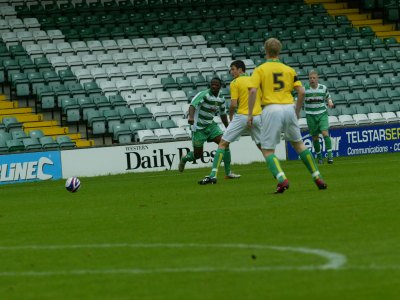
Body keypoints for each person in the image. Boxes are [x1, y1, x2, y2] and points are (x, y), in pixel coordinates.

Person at [247, 38, 327, 193]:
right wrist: (296, 111)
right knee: (299, 144)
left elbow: (252, 91)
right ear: (280, 51)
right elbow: (302, 91)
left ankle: (282, 179)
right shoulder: (289, 70)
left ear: (265, 50)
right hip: (289, 107)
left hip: (272, 108)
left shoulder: (260, 69)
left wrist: (250, 114)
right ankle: (317, 176)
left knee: (267, 149)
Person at [198, 60, 263, 185]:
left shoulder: (235, 82)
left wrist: (231, 117)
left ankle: (213, 175)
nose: (231, 72)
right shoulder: (254, 81)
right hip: (257, 116)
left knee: (222, 143)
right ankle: (278, 172)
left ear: (240, 69)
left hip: (243, 115)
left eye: (233, 69)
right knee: (262, 146)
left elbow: (233, 104)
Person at [179, 77, 240, 179]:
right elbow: (192, 105)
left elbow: (222, 114)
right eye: (212, 84)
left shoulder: (221, 98)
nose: (214, 86)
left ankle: (228, 173)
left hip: (211, 126)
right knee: (198, 155)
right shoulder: (204, 95)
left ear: (220, 86)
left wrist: (228, 128)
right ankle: (185, 159)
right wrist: (190, 117)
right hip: (198, 128)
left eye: (216, 85)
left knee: (225, 143)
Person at [303, 69, 334, 164]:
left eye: (314, 78)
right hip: (310, 115)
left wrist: (329, 101)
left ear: (317, 79)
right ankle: (320, 157)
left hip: (322, 113)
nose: (312, 79)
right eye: (310, 78)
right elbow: (299, 98)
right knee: (315, 137)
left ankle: (330, 156)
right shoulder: (304, 89)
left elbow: (328, 96)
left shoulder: (323, 88)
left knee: (325, 133)